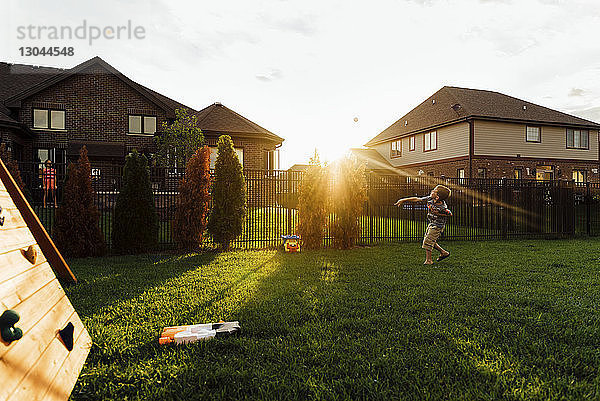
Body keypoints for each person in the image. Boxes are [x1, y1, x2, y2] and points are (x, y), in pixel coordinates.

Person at [395, 185, 453, 265]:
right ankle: (443, 252)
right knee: (429, 240)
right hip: (432, 223)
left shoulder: (442, 207)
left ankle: (429, 260)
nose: (432, 191)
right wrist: (403, 200)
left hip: (437, 226)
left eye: (434, 191)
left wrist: (440, 213)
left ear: (437, 196)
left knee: (428, 241)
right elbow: (417, 199)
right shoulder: (430, 199)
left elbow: (450, 213)